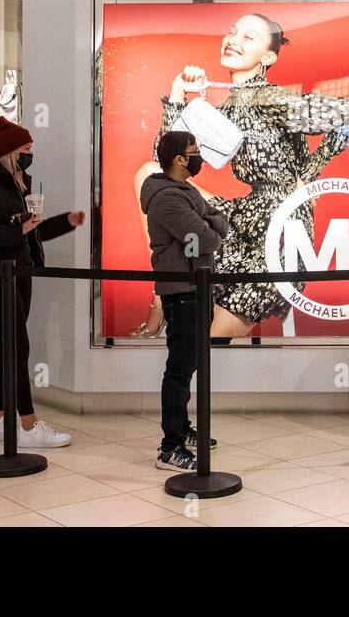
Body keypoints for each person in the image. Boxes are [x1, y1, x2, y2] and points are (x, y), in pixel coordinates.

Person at [135, 13, 349, 338]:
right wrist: (177, 94)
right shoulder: (230, 105)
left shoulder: (270, 99)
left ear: (268, 57)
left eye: (248, 37)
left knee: (208, 341)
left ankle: (173, 299)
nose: (233, 39)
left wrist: (309, 174)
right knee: (150, 176)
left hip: (282, 232)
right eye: (232, 32)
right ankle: (163, 291)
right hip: (244, 217)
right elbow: (167, 163)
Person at [0, 117, 86, 447]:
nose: (31, 154)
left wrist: (67, 222)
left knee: (6, 345)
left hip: (21, 272)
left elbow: (35, 231)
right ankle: (29, 424)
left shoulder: (23, 185)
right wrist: (17, 230)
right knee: (18, 344)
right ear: (10, 152)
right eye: (26, 149)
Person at [141, 130, 230, 472]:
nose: (199, 157)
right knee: (179, 369)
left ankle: (181, 429)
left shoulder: (186, 191)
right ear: (179, 159)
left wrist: (211, 221)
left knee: (190, 363)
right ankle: (169, 446)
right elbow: (207, 237)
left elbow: (219, 219)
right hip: (182, 290)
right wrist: (210, 222)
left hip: (198, 285)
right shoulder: (168, 198)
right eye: (194, 151)